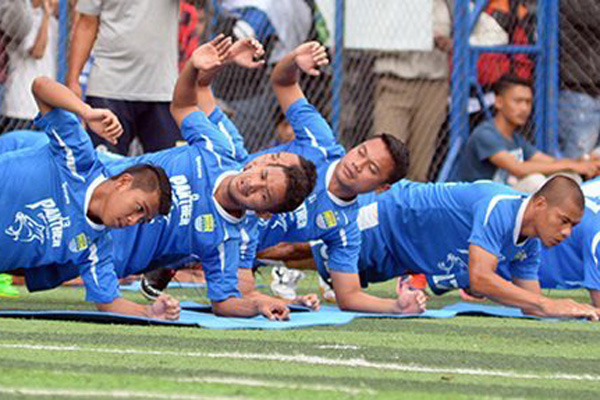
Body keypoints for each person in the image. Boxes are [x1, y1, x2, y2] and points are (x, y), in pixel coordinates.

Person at [21, 37, 318, 320]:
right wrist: (193, 67)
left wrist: (259, 305)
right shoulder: (220, 149)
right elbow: (185, 105)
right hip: (79, 185)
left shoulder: (233, 238)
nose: (253, 183)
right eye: (264, 172)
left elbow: (227, 300)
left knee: (19, 262)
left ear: (265, 212)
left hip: (95, 250)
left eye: (263, 195)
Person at [273, 176, 600, 319]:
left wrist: (574, 312)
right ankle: (235, 253)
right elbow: (482, 278)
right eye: (564, 220)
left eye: (572, 224)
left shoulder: (528, 245)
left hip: (401, 255)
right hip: (392, 214)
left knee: (318, 261)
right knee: (297, 247)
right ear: (540, 204)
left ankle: (248, 260)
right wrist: (548, 305)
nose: (568, 232)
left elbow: (531, 302)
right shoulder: (499, 207)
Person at [0, 76, 177, 320]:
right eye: (138, 208)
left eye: (142, 219)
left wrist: (150, 311)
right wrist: (87, 112)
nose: (133, 220)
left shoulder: (96, 247)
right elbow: (41, 86)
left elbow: (109, 302)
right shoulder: (78, 158)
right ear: (123, 182)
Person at [67, 0, 182, 155]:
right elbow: (87, 23)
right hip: (108, 87)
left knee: (170, 173)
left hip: (161, 89)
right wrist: (73, 80)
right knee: (105, 172)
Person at [457, 74, 600, 191]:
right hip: (475, 202)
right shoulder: (485, 134)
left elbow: (550, 161)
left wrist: (584, 162)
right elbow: (519, 169)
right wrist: (572, 165)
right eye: (518, 101)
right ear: (499, 102)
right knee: (535, 181)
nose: (524, 108)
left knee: (568, 176)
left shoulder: (515, 138)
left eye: (528, 102)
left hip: (500, 199)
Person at [1, 0, 58, 132]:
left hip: (44, 107)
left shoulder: (54, 23)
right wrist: (46, 16)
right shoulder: (23, 19)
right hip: (20, 108)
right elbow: (37, 51)